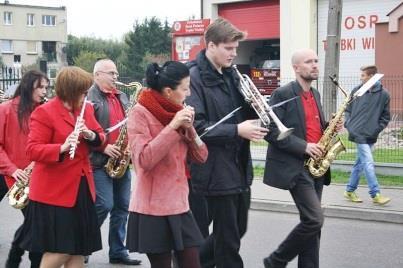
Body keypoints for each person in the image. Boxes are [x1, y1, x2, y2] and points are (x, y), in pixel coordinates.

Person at [186, 18, 268, 268]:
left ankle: (191, 262)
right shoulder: (193, 77)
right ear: (211, 45)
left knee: (236, 230)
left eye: (235, 48)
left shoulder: (232, 74)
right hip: (211, 169)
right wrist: (237, 130)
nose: (234, 53)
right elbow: (197, 128)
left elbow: (241, 115)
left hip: (237, 167)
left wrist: (256, 108)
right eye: (229, 48)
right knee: (228, 241)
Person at [14, 66, 105, 268]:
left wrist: (90, 135)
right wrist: (62, 147)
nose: (85, 96)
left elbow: (101, 137)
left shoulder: (86, 109)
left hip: (81, 188)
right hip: (54, 193)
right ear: (71, 91)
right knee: (59, 250)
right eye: (82, 92)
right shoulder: (44, 113)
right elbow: (32, 150)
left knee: (78, 251)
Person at [262, 49, 343, 268]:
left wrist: (331, 128)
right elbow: (270, 130)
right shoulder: (282, 93)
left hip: (317, 167)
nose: (315, 65)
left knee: (313, 225)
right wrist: (304, 146)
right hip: (296, 166)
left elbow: (313, 128)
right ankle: (276, 260)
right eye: (309, 62)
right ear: (296, 67)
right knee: (314, 219)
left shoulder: (315, 93)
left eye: (316, 61)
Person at [126, 61, 208, 268]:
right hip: (153, 208)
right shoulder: (140, 113)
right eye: (185, 88)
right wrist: (173, 127)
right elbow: (144, 160)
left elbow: (202, 156)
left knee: (192, 263)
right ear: (169, 91)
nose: (188, 93)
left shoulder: (178, 112)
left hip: (180, 204)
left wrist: (190, 131)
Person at [87, 59, 141, 265]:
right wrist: (103, 147)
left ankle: (118, 251)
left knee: (122, 207)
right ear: (97, 74)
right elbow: (84, 131)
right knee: (104, 204)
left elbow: (130, 125)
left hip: (122, 160)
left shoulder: (123, 96)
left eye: (116, 74)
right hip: (99, 161)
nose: (116, 77)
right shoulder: (89, 98)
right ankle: (81, 244)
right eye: (111, 73)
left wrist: (130, 145)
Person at [0, 70, 48, 268]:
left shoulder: (43, 110)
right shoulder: (5, 109)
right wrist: (12, 169)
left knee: (36, 224)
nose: (45, 91)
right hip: (7, 173)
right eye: (41, 87)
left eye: (47, 87)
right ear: (29, 87)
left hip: (33, 176)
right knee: (35, 224)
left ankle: (21, 261)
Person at [344, 65, 391, 205]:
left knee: (360, 164)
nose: (360, 77)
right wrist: (348, 124)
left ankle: (349, 190)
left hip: (371, 134)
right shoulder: (356, 90)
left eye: (363, 75)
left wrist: (376, 129)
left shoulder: (384, 94)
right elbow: (348, 109)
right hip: (358, 133)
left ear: (371, 77)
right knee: (368, 163)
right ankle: (375, 193)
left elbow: (385, 116)